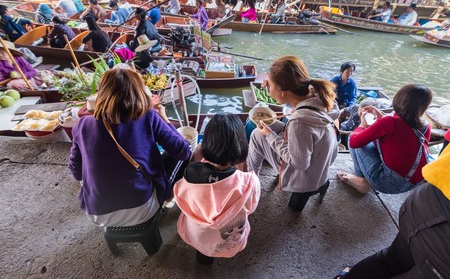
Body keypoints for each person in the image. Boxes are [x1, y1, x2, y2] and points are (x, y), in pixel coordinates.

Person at [69, 68, 191, 228]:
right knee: (184, 151)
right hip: (142, 209)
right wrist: (165, 120)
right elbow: (182, 151)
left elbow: (76, 172)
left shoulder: (82, 125)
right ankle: (167, 198)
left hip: (97, 213)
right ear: (138, 92)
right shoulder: (148, 116)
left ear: (102, 93)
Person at [334, 141, 450, 279]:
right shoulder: (423, 130)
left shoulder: (390, 123)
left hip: (428, 197)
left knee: (390, 261)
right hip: (440, 228)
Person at [247, 56, 339, 212]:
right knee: (268, 128)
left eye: (271, 86)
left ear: (283, 92)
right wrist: (272, 84)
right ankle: (251, 178)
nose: (268, 89)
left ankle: (250, 184)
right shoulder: (317, 93)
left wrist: (269, 135)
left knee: (257, 134)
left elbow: (300, 163)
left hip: (304, 176)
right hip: (321, 163)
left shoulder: (298, 123)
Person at [174, 113, 261, 265]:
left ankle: (204, 259)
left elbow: (180, 195)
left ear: (206, 144)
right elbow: (251, 208)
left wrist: (196, 157)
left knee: (203, 245)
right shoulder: (250, 182)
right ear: (241, 145)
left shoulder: (191, 174)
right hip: (230, 239)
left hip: (199, 236)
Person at [338, 84, 432, 194]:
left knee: (352, 137)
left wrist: (362, 125)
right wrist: (382, 119)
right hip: (415, 182)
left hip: (389, 183)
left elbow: (355, 142)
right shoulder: (426, 125)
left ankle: (361, 181)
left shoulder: (390, 122)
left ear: (398, 99)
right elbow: (402, 138)